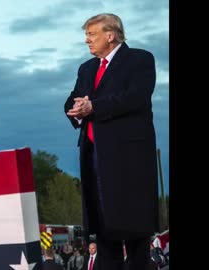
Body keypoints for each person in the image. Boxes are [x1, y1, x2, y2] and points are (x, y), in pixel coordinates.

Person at [64, 13, 158, 270]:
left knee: (134, 228)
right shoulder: (86, 68)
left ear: (111, 35)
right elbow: (72, 100)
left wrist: (93, 106)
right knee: (103, 227)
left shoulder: (140, 59)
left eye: (91, 34)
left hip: (128, 158)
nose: (87, 41)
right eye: (86, 35)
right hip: (94, 155)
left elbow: (135, 97)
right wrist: (77, 110)